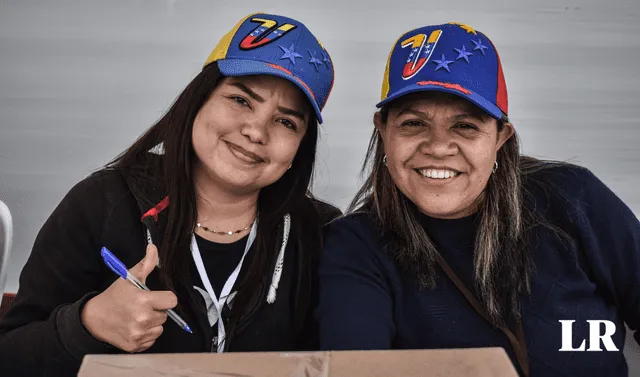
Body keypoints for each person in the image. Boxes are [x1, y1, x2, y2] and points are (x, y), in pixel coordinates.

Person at [0, 12, 340, 376]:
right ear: (198, 100)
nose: (256, 131)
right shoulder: (103, 203)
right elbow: (9, 356)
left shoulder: (320, 234)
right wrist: (86, 325)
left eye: (286, 121)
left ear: (300, 150)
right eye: (241, 100)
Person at [316, 22, 640, 377]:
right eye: (413, 123)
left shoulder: (571, 197)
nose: (438, 146)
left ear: (501, 137)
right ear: (383, 130)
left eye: (465, 126)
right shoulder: (355, 245)